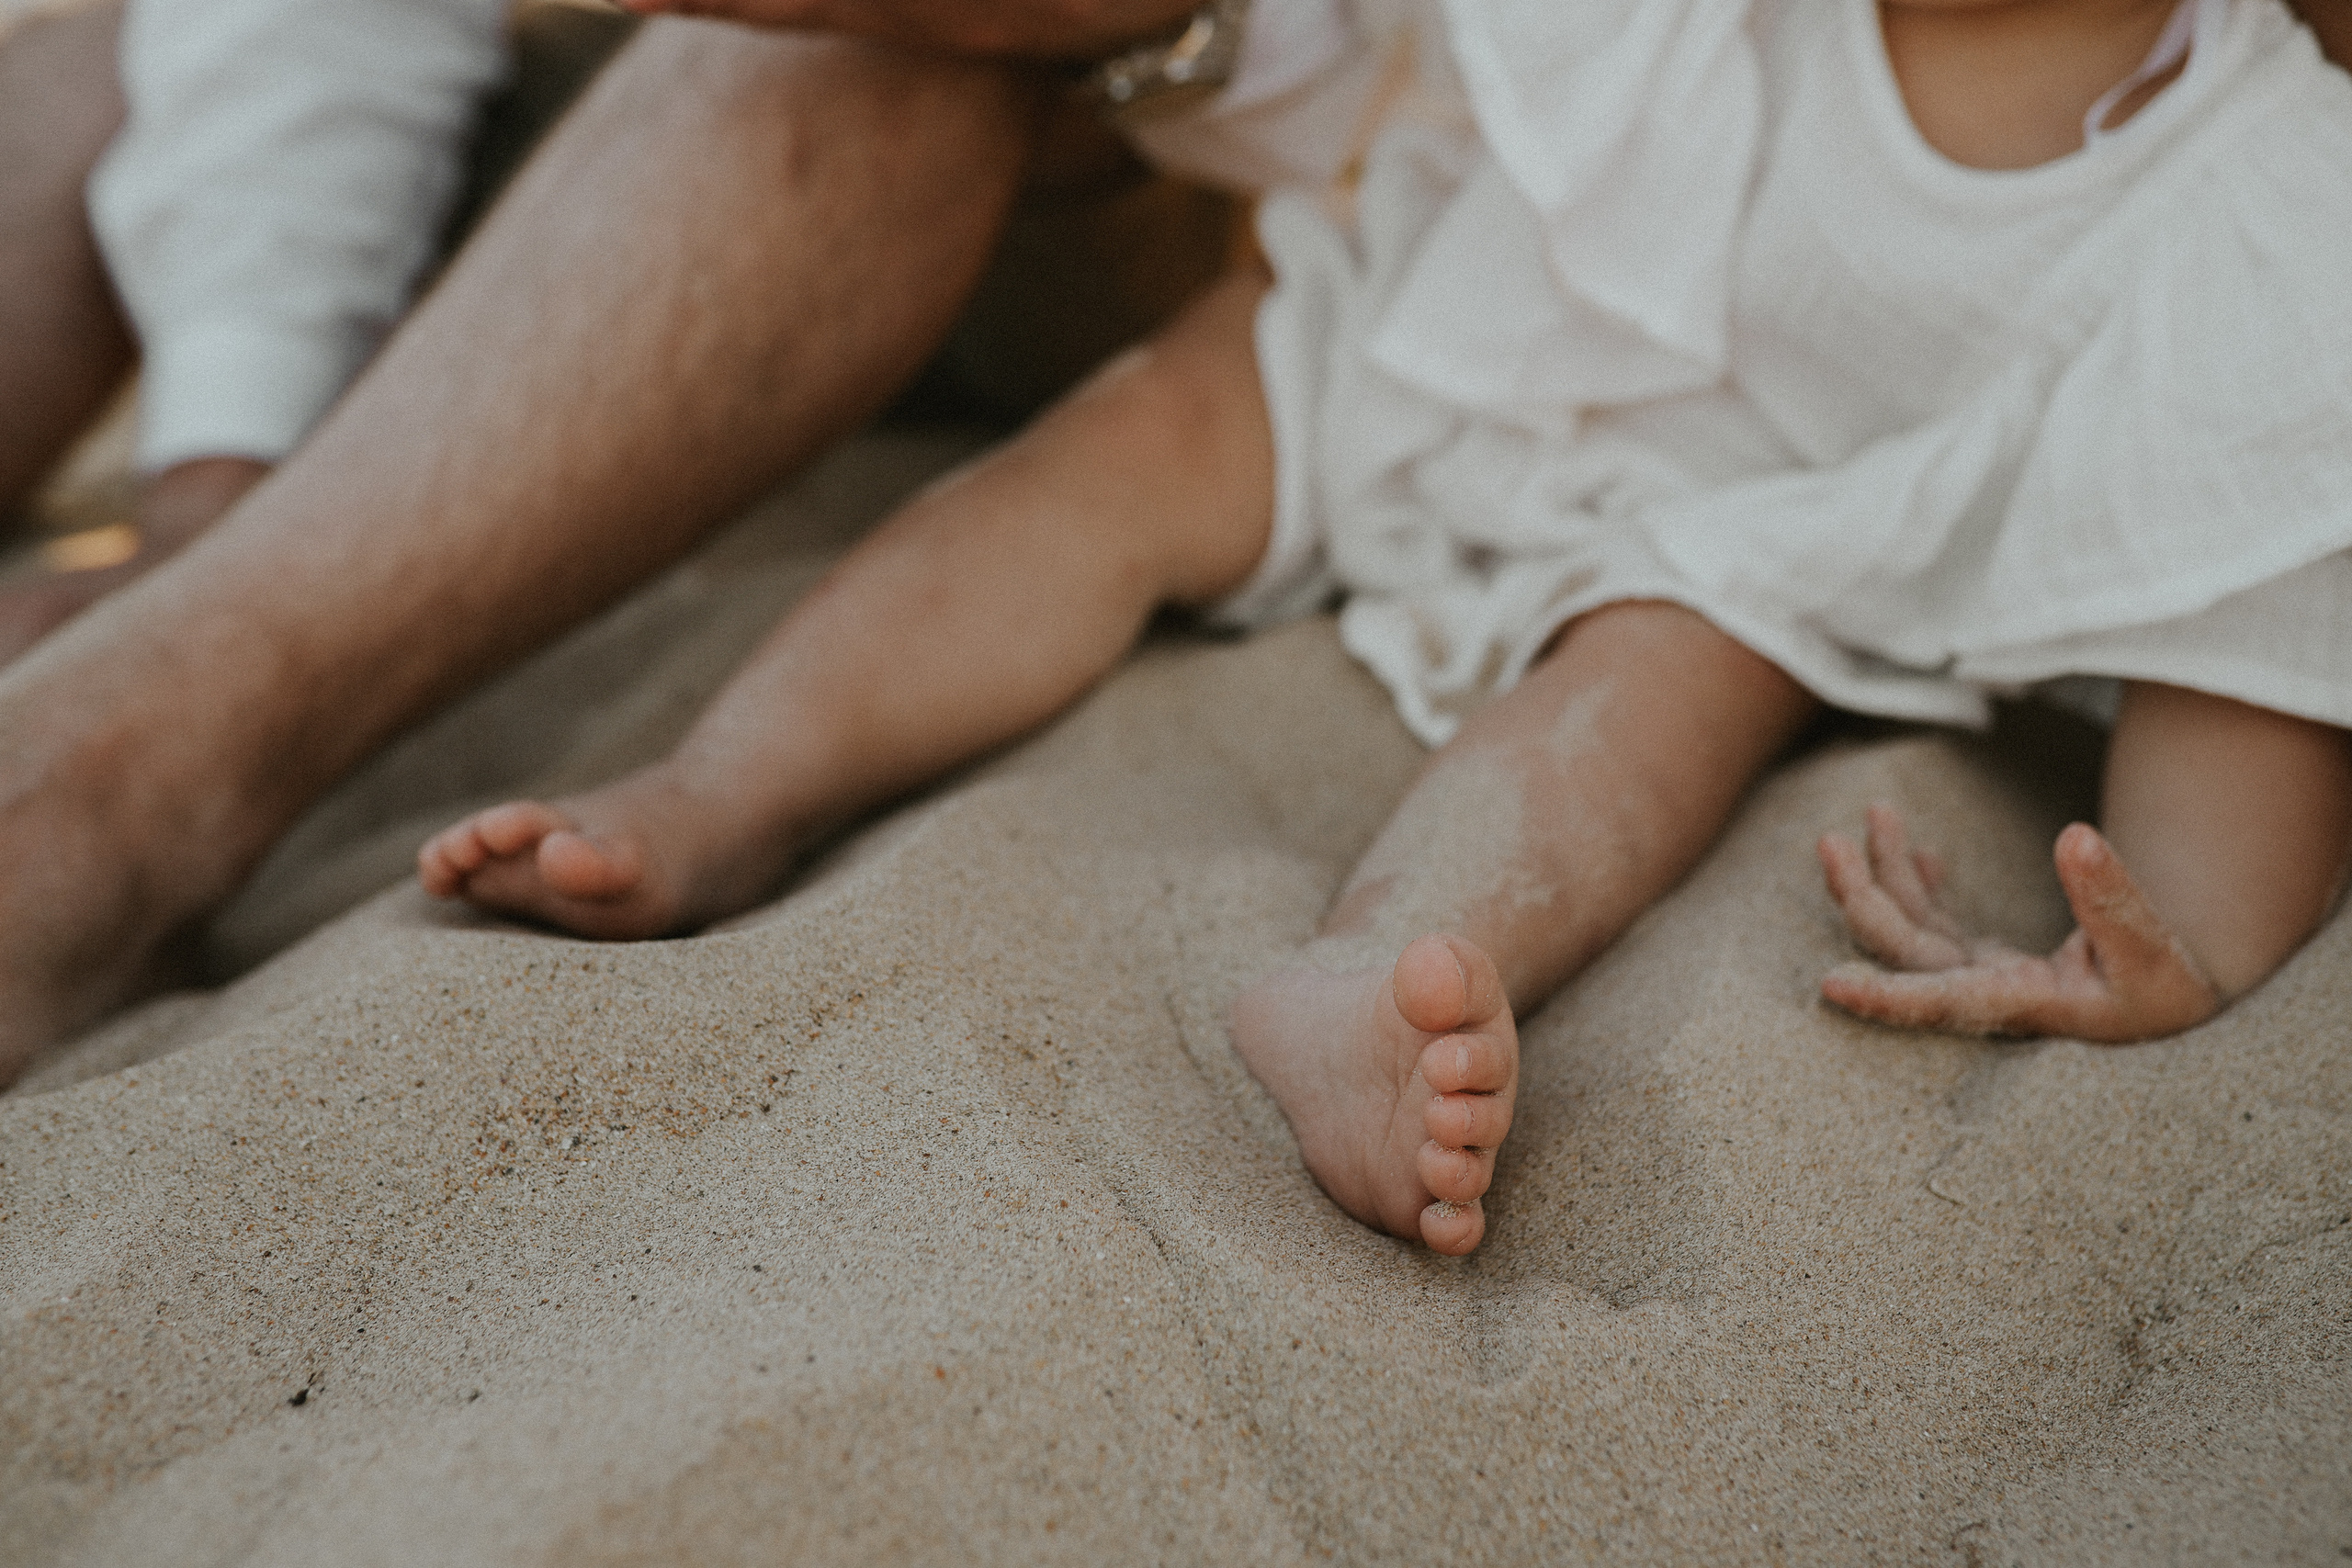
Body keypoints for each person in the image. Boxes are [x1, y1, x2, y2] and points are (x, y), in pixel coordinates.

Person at [422, 0, 2352, 1258]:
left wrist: (2169, 933)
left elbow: (2237, 631)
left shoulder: (2257, 180)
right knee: (1125, 450)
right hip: (1488, 310)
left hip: (1766, 521)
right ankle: (724, 786)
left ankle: (1373, 969)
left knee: (1660, 681)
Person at [0, 0, 1267, 1088]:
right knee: (79, 82)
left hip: (1244, 186)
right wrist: (214, 486)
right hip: (682, 163)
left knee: (823, 43)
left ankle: (116, 792)